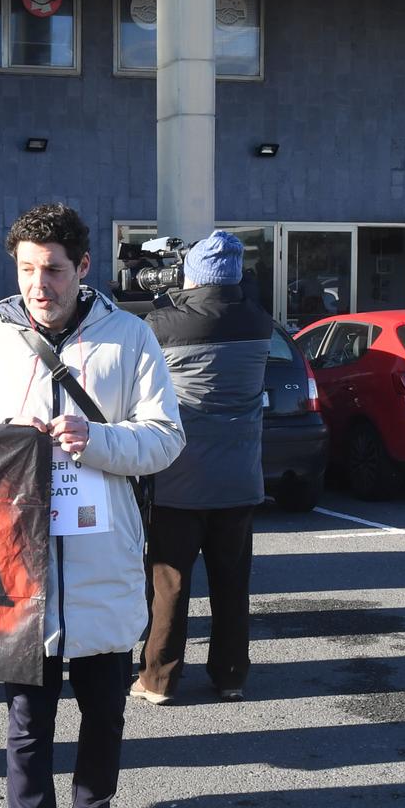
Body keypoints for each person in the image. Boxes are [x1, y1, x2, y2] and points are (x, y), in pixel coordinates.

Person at [0, 203, 184, 808]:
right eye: (27, 270)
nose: (40, 284)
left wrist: (95, 438)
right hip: (19, 564)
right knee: (25, 723)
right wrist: (2, 440)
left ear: (83, 269)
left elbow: (166, 439)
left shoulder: (130, 337)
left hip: (105, 559)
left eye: (54, 269)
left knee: (104, 712)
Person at [135, 231, 271, 704]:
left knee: (169, 583)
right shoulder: (258, 320)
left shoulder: (162, 324)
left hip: (179, 478)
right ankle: (232, 675)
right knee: (232, 583)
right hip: (240, 480)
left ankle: (159, 679)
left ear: (192, 275)